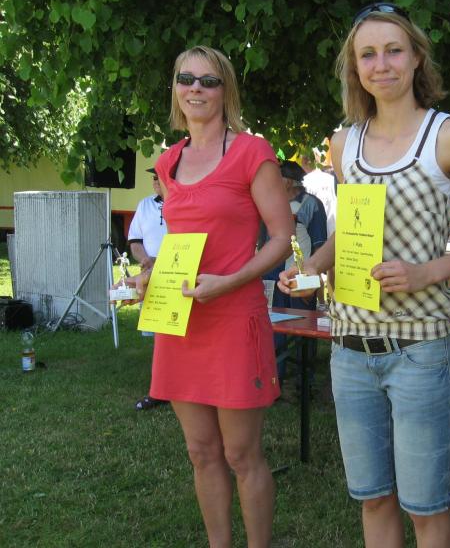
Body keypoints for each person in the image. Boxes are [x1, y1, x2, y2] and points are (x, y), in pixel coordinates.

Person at [278, 2, 450, 548]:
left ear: (417, 57)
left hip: (421, 350)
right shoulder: (343, 144)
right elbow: (352, 232)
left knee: (426, 508)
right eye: (367, 55)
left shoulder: (449, 137)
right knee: (373, 499)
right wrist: (311, 267)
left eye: (393, 50)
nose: (381, 65)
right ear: (354, 68)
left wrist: (426, 271)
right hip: (349, 349)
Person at [124, 46, 294, 547]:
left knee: (242, 455)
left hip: (234, 318)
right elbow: (182, 241)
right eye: (186, 78)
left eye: (208, 80)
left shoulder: (251, 151)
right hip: (181, 322)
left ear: (226, 91)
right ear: (175, 88)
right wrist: (152, 274)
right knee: (201, 452)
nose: (195, 88)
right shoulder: (168, 161)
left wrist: (230, 280)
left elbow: (281, 237)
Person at [261, 160, 328, 384]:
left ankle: (304, 378)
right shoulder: (269, 203)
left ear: (288, 181)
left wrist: (315, 277)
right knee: (273, 326)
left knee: (304, 324)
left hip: (301, 276)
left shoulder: (312, 204)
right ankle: (276, 376)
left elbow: (320, 244)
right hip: (272, 276)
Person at [129, 167, 169, 411]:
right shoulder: (145, 205)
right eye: (153, 177)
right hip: (151, 278)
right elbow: (135, 241)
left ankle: (177, 387)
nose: (155, 180)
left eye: (159, 176)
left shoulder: (183, 204)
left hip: (178, 275)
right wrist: (145, 259)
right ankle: (160, 389)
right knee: (159, 337)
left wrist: (161, 262)